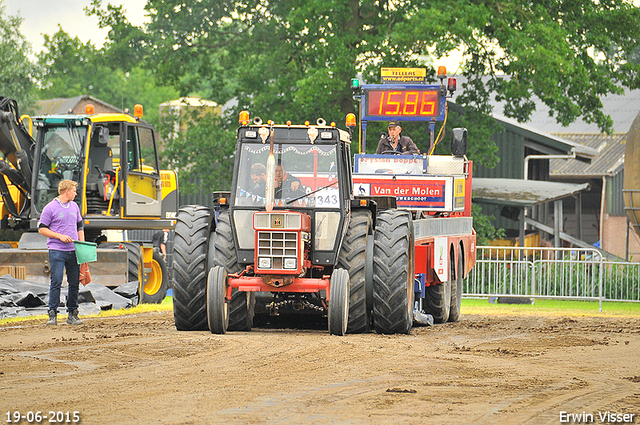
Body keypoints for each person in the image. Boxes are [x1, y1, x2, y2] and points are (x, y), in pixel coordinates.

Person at [38, 179, 85, 326]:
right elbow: (41, 228)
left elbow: (80, 227)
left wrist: (81, 246)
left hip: (73, 251)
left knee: (74, 283)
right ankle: (52, 314)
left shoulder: (75, 207)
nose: (76, 193)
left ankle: (72, 314)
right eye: (74, 191)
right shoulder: (50, 208)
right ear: (67, 191)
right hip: (57, 251)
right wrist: (60, 236)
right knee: (56, 281)